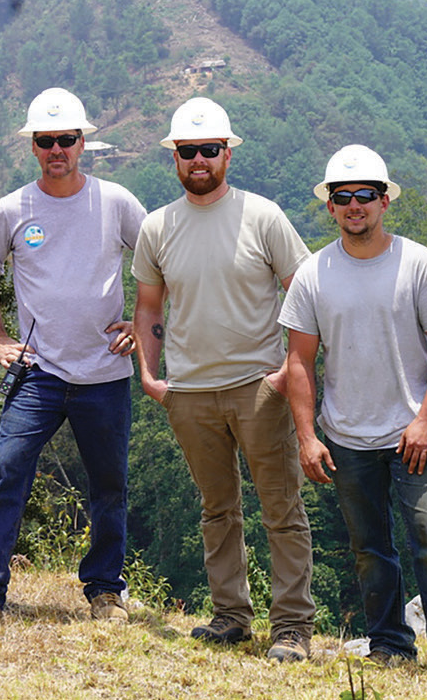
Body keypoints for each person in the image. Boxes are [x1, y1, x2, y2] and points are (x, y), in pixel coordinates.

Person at [0, 88, 148, 629]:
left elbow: (160, 262)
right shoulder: (15, 208)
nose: (57, 148)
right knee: (7, 469)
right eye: (46, 140)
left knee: (109, 484)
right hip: (38, 372)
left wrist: (147, 326)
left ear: (84, 143)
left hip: (104, 372)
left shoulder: (117, 202)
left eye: (66, 139)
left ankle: (106, 591)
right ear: (33, 146)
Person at [280, 144, 427, 677]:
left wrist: (423, 420)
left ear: (384, 200)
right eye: (342, 197)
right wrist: (307, 435)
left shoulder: (418, 263)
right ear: (330, 206)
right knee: (369, 548)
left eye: (364, 195)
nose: (354, 206)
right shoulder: (313, 273)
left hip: (416, 434)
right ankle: (389, 644)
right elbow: (298, 360)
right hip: (346, 436)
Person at [131, 97, 316, 663]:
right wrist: (149, 374)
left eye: (209, 149)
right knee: (217, 510)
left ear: (227, 153)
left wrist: (289, 370)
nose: (199, 160)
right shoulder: (157, 226)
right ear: (176, 158)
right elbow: (147, 307)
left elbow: (305, 292)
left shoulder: (263, 216)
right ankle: (231, 616)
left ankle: (292, 627)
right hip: (189, 393)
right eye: (188, 151)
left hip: (257, 387)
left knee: (280, 508)